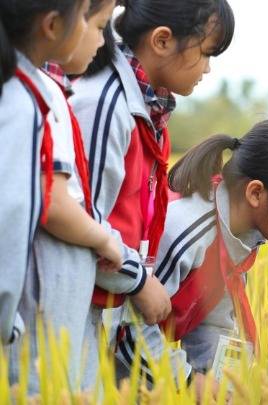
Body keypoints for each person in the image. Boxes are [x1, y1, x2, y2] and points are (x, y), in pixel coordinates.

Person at [69, 0, 236, 381]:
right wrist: (139, 280)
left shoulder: (149, 112)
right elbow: (83, 221)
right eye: (207, 53)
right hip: (69, 311)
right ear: (162, 41)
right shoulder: (107, 105)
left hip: (100, 308)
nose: (209, 68)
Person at [115, 121, 268, 398]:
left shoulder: (242, 239)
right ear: (256, 193)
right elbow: (127, 329)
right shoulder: (187, 232)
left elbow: (213, 324)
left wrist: (227, 387)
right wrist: (190, 382)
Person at [0, 0, 90, 390]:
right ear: (52, 25)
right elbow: (9, 218)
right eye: (86, 16)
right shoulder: (20, 102)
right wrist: (9, 327)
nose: (90, 30)